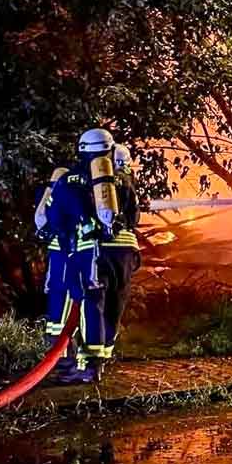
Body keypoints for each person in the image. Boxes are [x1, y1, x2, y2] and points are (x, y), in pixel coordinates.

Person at [43, 128, 123, 384]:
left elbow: (51, 217)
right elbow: (114, 218)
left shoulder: (66, 179)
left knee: (67, 304)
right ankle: (89, 365)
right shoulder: (108, 180)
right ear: (108, 151)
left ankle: (69, 362)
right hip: (92, 252)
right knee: (92, 303)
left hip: (68, 252)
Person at [98, 143, 141, 362]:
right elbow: (134, 219)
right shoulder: (126, 182)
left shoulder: (96, 182)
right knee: (116, 302)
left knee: (95, 302)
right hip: (123, 250)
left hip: (97, 250)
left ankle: (91, 355)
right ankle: (105, 352)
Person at [33, 167, 74, 374]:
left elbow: (41, 224)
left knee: (57, 307)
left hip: (57, 258)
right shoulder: (66, 195)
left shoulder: (47, 196)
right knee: (66, 305)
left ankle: (58, 355)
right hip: (67, 256)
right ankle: (63, 357)